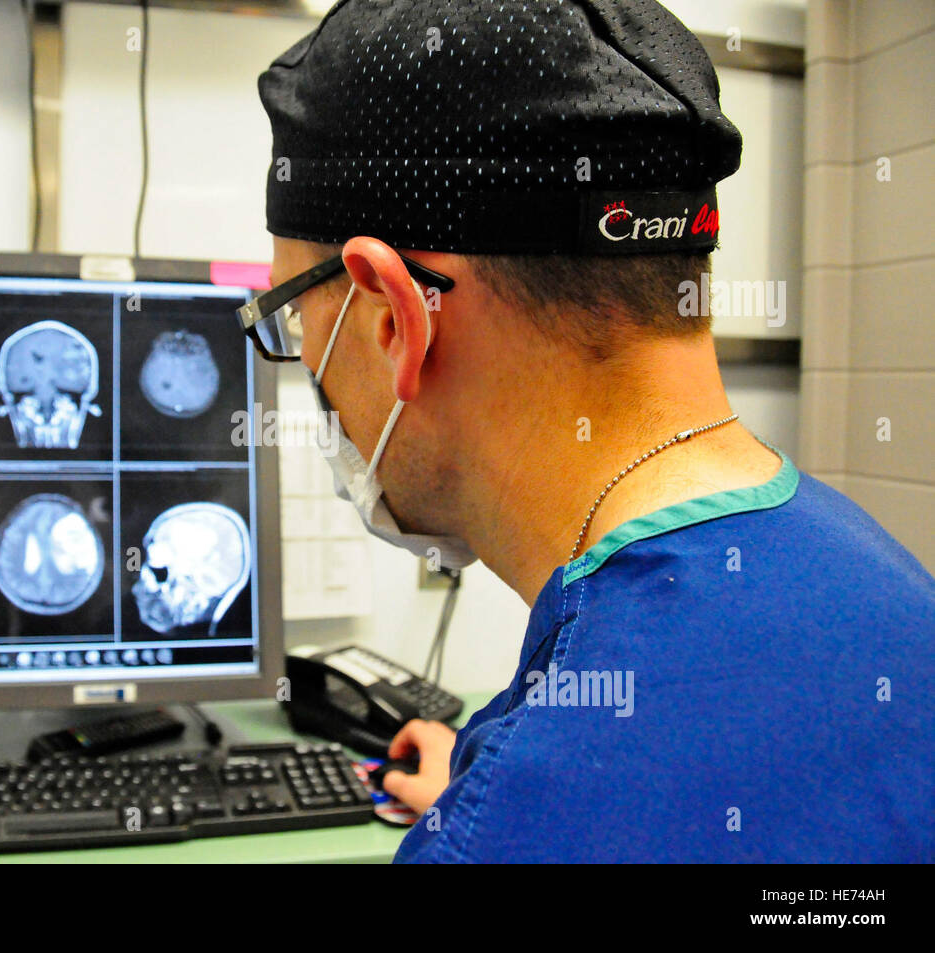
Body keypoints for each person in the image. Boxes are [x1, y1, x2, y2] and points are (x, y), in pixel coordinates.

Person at [239, 0, 935, 862]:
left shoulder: (510, 827)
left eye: (292, 321)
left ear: (395, 320)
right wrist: (486, 772)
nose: (302, 359)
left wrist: (499, 805)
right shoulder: (881, 581)